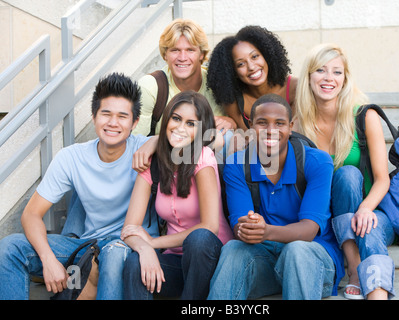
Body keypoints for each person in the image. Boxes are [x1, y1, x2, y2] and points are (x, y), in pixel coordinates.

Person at [0, 73, 158, 300]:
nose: (113, 123)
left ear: (135, 122)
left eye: (122, 116)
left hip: (130, 247)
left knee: (113, 257)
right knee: (9, 248)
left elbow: (190, 137)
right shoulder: (71, 157)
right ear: (94, 117)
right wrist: (49, 260)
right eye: (106, 114)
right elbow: (32, 214)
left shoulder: (145, 149)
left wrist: (155, 140)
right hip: (88, 244)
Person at [207, 94, 344, 300]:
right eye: (262, 123)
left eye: (279, 123)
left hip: (312, 261)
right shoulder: (237, 164)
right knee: (234, 248)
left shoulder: (316, 162)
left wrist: (266, 231)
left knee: (296, 251)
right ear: (251, 126)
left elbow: (308, 231)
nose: (271, 130)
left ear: (291, 127)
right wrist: (248, 228)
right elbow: (240, 227)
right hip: (265, 261)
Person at [294, 43, 395, 300]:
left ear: (345, 78)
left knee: (350, 180)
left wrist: (365, 209)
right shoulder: (298, 123)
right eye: (321, 70)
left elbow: (383, 179)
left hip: (370, 210)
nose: (329, 78)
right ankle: (354, 268)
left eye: (337, 72)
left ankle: (359, 275)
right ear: (308, 77)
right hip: (324, 218)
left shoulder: (364, 116)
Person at [122, 90, 233, 300]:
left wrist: (153, 244)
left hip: (212, 260)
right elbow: (130, 228)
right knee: (135, 263)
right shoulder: (152, 163)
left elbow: (210, 227)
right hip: (176, 262)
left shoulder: (203, 157)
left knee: (199, 239)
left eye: (191, 124)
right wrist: (145, 250)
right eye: (176, 118)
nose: (180, 128)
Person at [132, 18, 236, 137]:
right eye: (175, 50)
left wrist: (232, 122)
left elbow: (245, 124)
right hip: (165, 153)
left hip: (211, 151)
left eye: (190, 50)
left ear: (201, 54)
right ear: (165, 54)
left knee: (227, 136)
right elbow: (137, 140)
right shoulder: (150, 86)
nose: (182, 57)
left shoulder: (217, 81)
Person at [207, 25, 298, 131]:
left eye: (255, 57)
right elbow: (249, 138)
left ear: (266, 56)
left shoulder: (295, 88)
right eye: (241, 64)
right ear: (233, 71)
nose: (251, 67)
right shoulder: (233, 99)